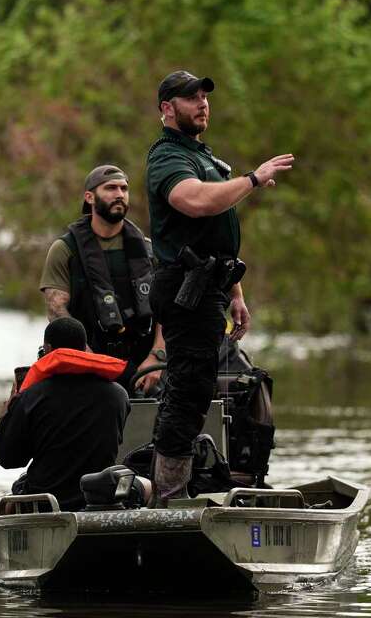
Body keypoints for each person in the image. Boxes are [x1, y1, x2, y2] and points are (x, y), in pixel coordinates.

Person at [145, 69, 294, 504]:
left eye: (205, 98)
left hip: (210, 288)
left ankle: (179, 483)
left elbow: (216, 235)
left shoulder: (200, 155)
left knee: (196, 385)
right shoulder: (168, 157)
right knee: (188, 389)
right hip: (183, 290)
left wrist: (236, 294)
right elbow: (194, 202)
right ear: (168, 109)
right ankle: (169, 494)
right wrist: (251, 179)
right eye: (192, 99)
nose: (203, 104)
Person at [39, 165, 167, 395]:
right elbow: (57, 311)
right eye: (110, 188)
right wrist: (89, 361)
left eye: (124, 188)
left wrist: (157, 356)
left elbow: (166, 310)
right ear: (89, 197)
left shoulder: (149, 250)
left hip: (144, 366)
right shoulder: (65, 250)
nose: (119, 194)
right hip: (85, 364)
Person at [0, 317, 132, 510]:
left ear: (47, 349)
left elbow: (8, 459)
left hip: (45, 502)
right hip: (98, 498)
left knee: (14, 494)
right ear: (85, 350)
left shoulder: (31, 397)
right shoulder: (119, 395)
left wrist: (6, 414)